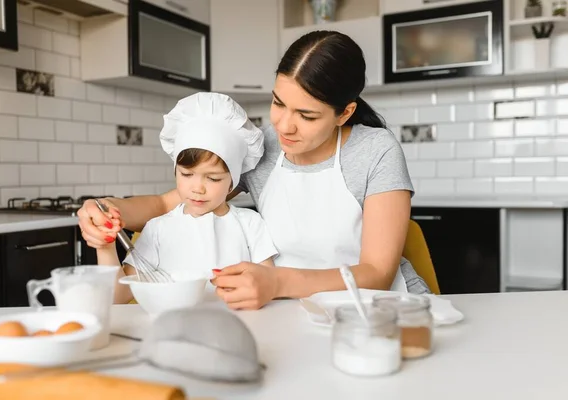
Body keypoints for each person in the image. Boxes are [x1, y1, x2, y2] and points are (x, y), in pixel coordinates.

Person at [80, 30, 430, 310]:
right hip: (295, 310)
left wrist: (277, 282)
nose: (285, 126)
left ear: (344, 113)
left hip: (382, 309)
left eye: (306, 115)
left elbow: (377, 273)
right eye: (278, 103)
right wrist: (108, 210)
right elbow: (166, 204)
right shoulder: (263, 146)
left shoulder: (375, 150)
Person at [96, 92, 278, 304]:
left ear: (233, 181)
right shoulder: (157, 229)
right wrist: (105, 248)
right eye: (187, 174)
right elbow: (118, 297)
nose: (197, 188)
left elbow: (268, 286)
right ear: (175, 171)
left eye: (213, 178)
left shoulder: (250, 224)